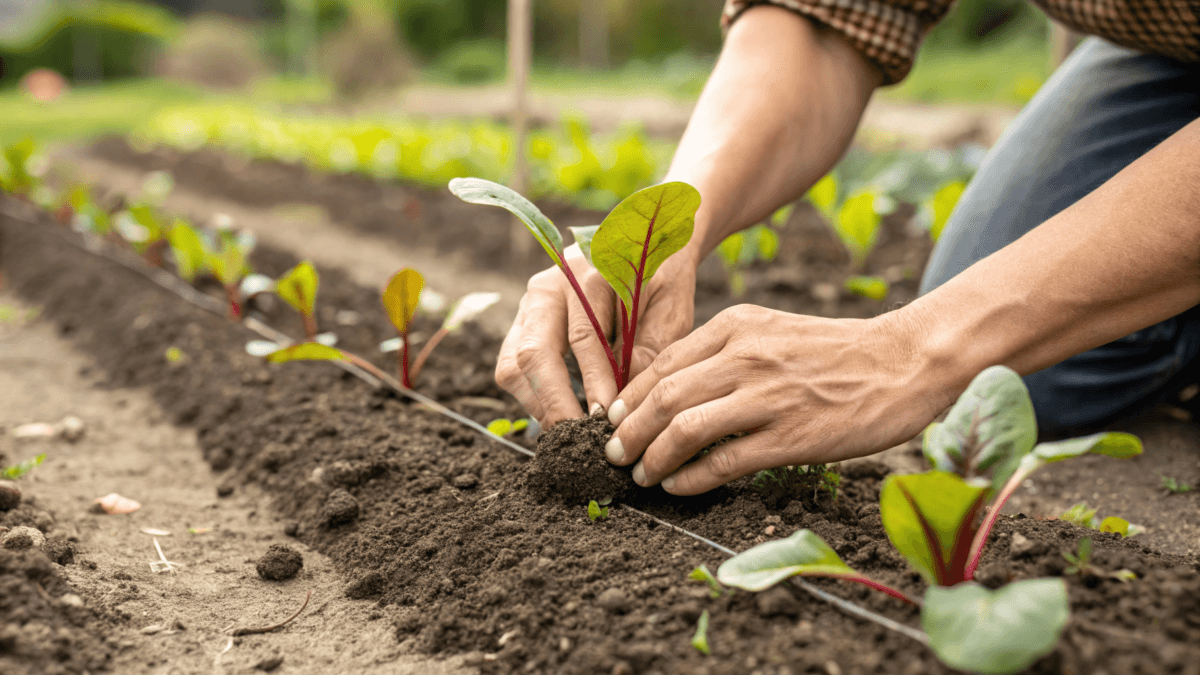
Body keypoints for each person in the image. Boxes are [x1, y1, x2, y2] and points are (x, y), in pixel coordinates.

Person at [496, 2, 1200, 495]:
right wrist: (673, 229)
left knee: (985, 349)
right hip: (1169, 47)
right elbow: (822, 25)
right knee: (1028, 376)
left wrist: (910, 350)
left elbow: (940, 346)